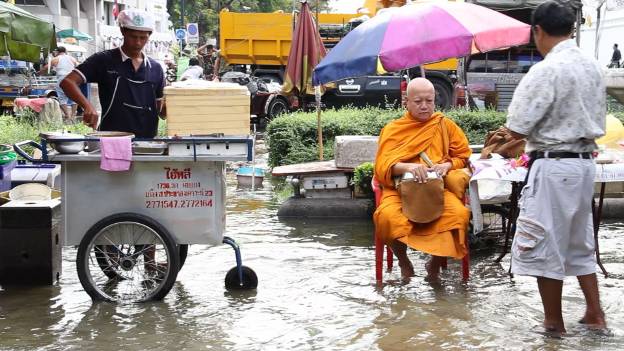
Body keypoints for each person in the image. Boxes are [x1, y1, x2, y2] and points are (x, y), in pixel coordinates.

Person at [503, 1, 607, 334]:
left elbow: (518, 125)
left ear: (538, 31)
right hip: (584, 166)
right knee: (579, 243)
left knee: (544, 244)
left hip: (554, 165)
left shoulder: (547, 69)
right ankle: (595, 314)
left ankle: (553, 322)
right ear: (572, 28)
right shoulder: (592, 66)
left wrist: (503, 140)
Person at [373, 78, 472, 282]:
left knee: (458, 216)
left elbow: (463, 156)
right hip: (399, 190)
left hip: (436, 189)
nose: (424, 106)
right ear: (406, 102)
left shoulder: (444, 125)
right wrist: (408, 166)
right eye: (418, 101)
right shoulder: (393, 129)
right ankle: (403, 260)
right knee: (387, 218)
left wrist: (447, 165)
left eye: (429, 100)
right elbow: (382, 166)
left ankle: (434, 264)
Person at [60, 9, 166, 138]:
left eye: (143, 38)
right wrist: (87, 106)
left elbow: (160, 111)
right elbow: (68, 82)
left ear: (149, 36)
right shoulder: (104, 60)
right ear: (123, 32)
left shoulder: (156, 68)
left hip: (148, 142)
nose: (138, 43)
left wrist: (174, 107)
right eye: (133, 37)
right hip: (111, 138)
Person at [41, 46, 79, 123]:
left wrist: (39, 73)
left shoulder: (57, 58)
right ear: (65, 51)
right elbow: (78, 66)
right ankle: (73, 116)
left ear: (57, 52)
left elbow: (46, 67)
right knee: (74, 97)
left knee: (62, 97)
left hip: (62, 78)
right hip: (72, 78)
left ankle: (67, 116)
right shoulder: (72, 58)